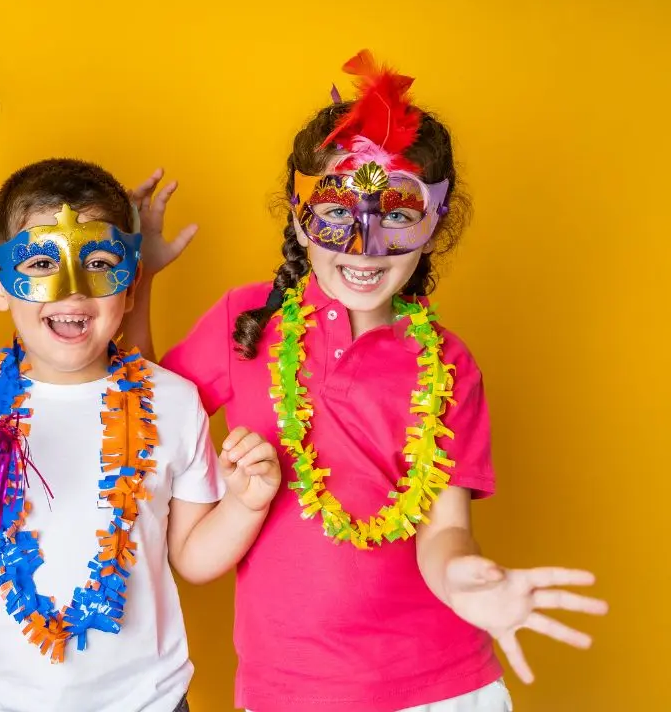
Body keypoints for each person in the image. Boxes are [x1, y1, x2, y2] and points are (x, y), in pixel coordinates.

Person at [127, 51, 609, 712]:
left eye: (399, 214)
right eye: (335, 214)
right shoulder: (248, 321)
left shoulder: (449, 364)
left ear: (436, 225)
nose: (365, 245)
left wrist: (466, 578)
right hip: (287, 691)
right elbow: (143, 405)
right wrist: (140, 281)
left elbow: (444, 531)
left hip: (441, 685)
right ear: (299, 215)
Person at [0, 158, 280, 712]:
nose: (72, 291)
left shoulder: (174, 402)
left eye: (100, 263)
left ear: (130, 286)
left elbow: (194, 559)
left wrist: (248, 503)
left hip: (145, 700)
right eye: (39, 261)